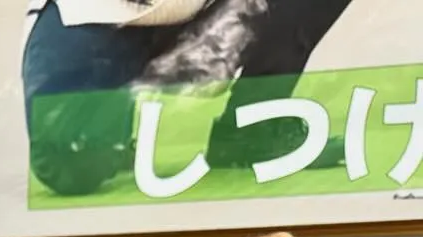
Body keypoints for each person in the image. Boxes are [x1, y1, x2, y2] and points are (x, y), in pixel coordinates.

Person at [24, 0, 355, 197]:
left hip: (191, 14)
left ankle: (254, 126)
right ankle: (117, 116)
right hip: (100, 17)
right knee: (70, 162)